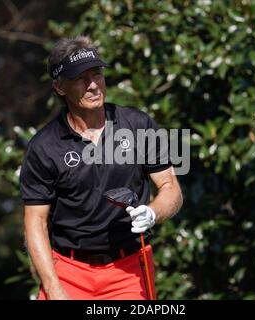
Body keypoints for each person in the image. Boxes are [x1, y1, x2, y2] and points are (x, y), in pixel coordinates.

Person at [19, 35, 183, 300]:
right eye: (81, 79)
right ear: (60, 88)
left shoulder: (137, 125)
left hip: (128, 270)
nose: (93, 85)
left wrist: (153, 213)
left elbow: (171, 187)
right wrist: (53, 287)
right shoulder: (44, 147)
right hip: (68, 271)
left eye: (97, 74)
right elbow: (35, 222)